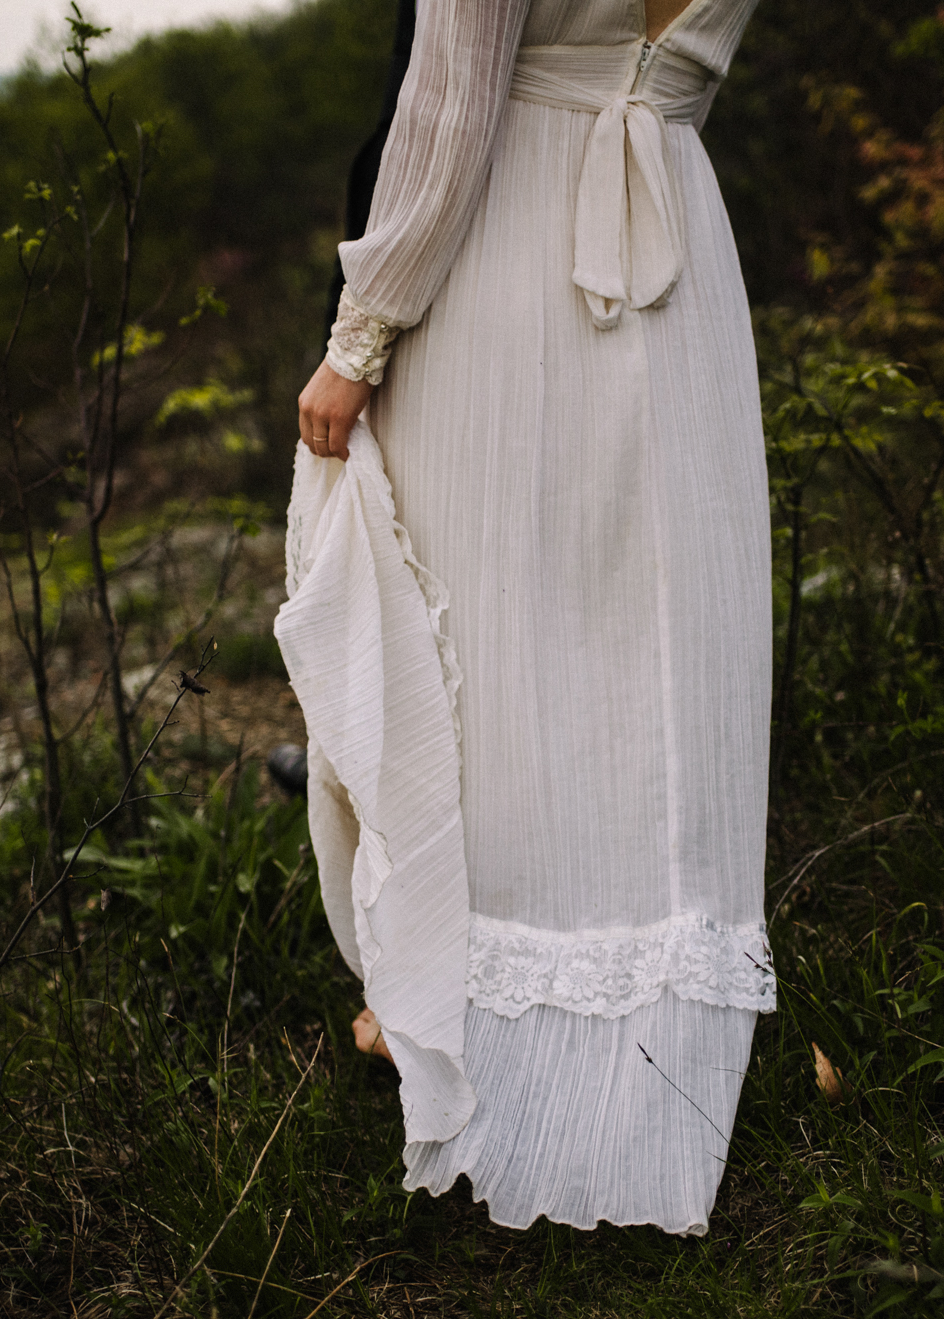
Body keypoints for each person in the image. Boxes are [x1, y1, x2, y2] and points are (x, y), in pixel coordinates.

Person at [286, 0, 773, 1237]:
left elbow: (448, 106)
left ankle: (462, 1014)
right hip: (675, 229)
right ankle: (651, 1039)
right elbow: (683, 77)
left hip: (511, 243)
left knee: (489, 639)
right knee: (654, 648)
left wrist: (361, 332)